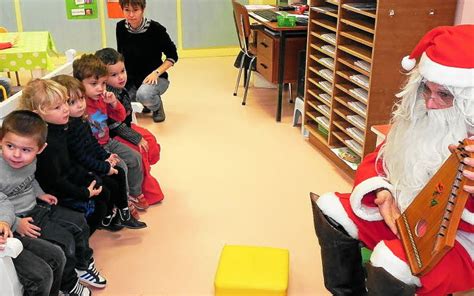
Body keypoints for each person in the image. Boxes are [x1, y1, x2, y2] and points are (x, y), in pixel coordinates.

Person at [311, 25, 474, 296]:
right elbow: (379, 159)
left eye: (443, 95)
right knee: (331, 210)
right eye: (426, 90)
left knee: (392, 263)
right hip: (405, 215)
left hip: (463, 240)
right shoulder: (422, 116)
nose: (430, 103)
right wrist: (382, 190)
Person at [20, 79, 108, 293]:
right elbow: (55, 179)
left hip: (55, 188)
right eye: (58, 107)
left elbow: (73, 160)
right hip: (55, 194)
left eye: (66, 103)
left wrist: (94, 171)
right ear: (39, 113)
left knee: (91, 208)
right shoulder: (47, 143)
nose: (67, 109)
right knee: (72, 230)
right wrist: (83, 192)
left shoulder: (62, 128)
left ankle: (83, 263)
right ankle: (76, 272)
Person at [0, 110, 94, 296]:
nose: (17, 155)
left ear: (40, 149)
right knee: (60, 247)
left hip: (33, 208)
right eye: (10, 146)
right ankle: (69, 283)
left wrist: (40, 193)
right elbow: (3, 202)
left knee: (78, 222)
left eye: (26, 150)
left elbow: (29, 179)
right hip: (18, 220)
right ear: (0, 141)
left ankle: (81, 268)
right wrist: (16, 222)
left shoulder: (29, 162)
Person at [51, 74, 146, 230]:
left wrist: (107, 156)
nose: (80, 105)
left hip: (92, 161)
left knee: (119, 171)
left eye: (81, 99)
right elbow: (80, 157)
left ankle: (124, 214)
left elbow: (94, 144)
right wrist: (104, 166)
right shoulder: (68, 129)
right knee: (111, 179)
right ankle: (109, 216)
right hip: (83, 168)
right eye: (72, 102)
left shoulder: (81, 120)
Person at [73, 54, 149, 214]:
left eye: (103, 83)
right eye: (94, 84)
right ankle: (124, 201)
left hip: (108, 141)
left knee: (135, 157)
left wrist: (113, 102)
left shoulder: (102, 98)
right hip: (94, 150)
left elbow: (120, 117)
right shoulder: (80, 105)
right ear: (79, 84)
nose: (100, 88)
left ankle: (135, 193)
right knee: (120, 166)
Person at [95, 47, 164, 205]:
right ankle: (143, 189)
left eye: (122, 71)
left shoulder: (119, 88)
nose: (121, 77)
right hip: (116, 133)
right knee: (141, 149)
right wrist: (136, 138)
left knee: (150, 141)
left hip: (126, 126)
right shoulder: (107, 94)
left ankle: (145, 173)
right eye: (114, 75)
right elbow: (113, 124)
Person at [116, 0, 178, 122]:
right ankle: (145, 104)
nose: (131, 15)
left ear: (143, 10)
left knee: (144, 95)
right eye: (127, 10)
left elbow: (172, 56)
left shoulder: (156, 29)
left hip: (155, 77)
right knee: (120, 98)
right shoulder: (120, 27)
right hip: (132, 78)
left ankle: (156, 106)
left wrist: (156, 73)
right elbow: (120, 54)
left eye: (135, 10)